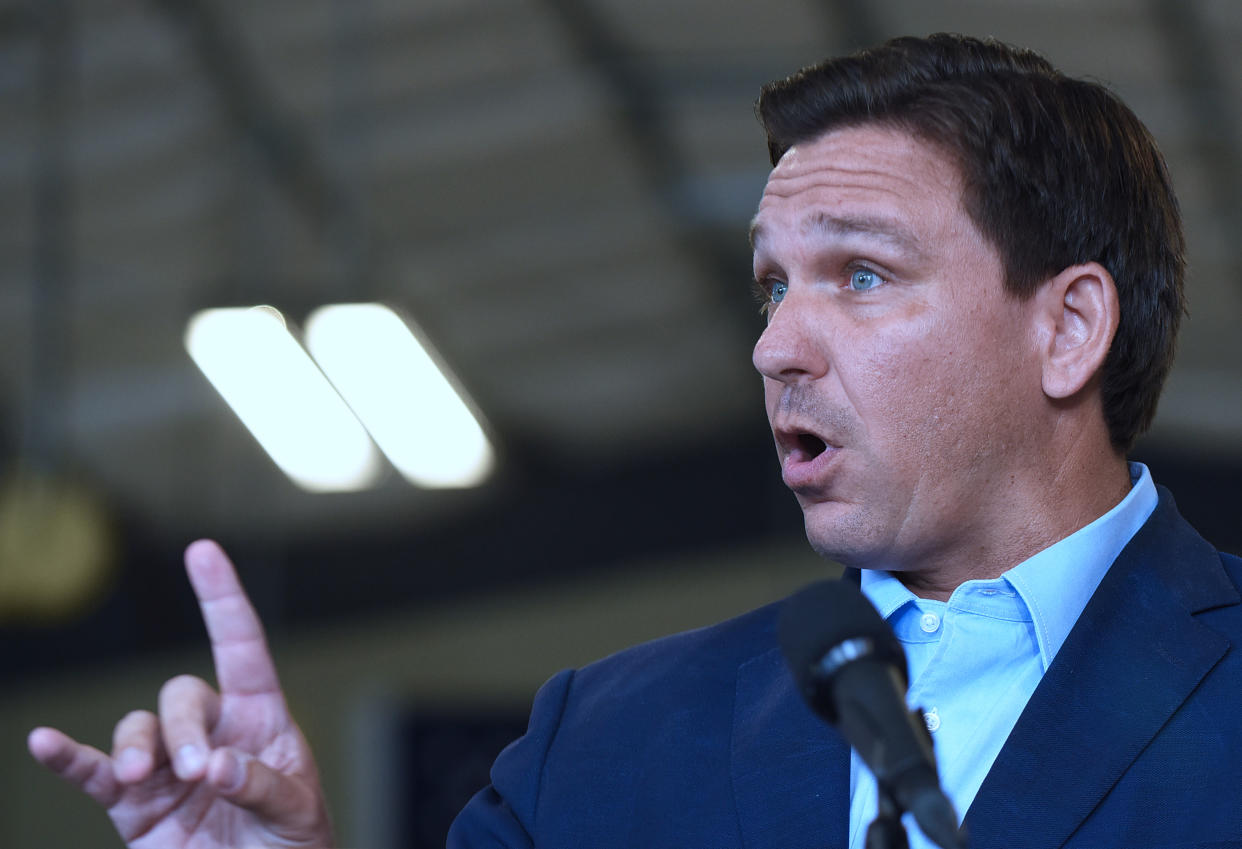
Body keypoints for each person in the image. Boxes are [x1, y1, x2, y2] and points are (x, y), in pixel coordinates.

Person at [28, 32, 1242, 849]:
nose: (775, 348)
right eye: (773, 289)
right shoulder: (600, 743)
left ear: (1071, 326)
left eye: (861, 275)